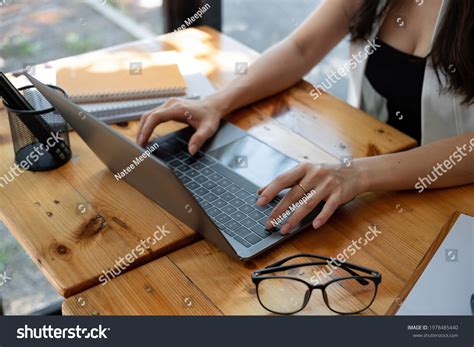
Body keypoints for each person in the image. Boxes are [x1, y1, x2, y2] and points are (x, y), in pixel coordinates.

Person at [136, 0, 474, 234]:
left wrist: (359, 174)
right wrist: (217, 102)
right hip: (378, 175)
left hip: (451, 191)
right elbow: (302, 47)